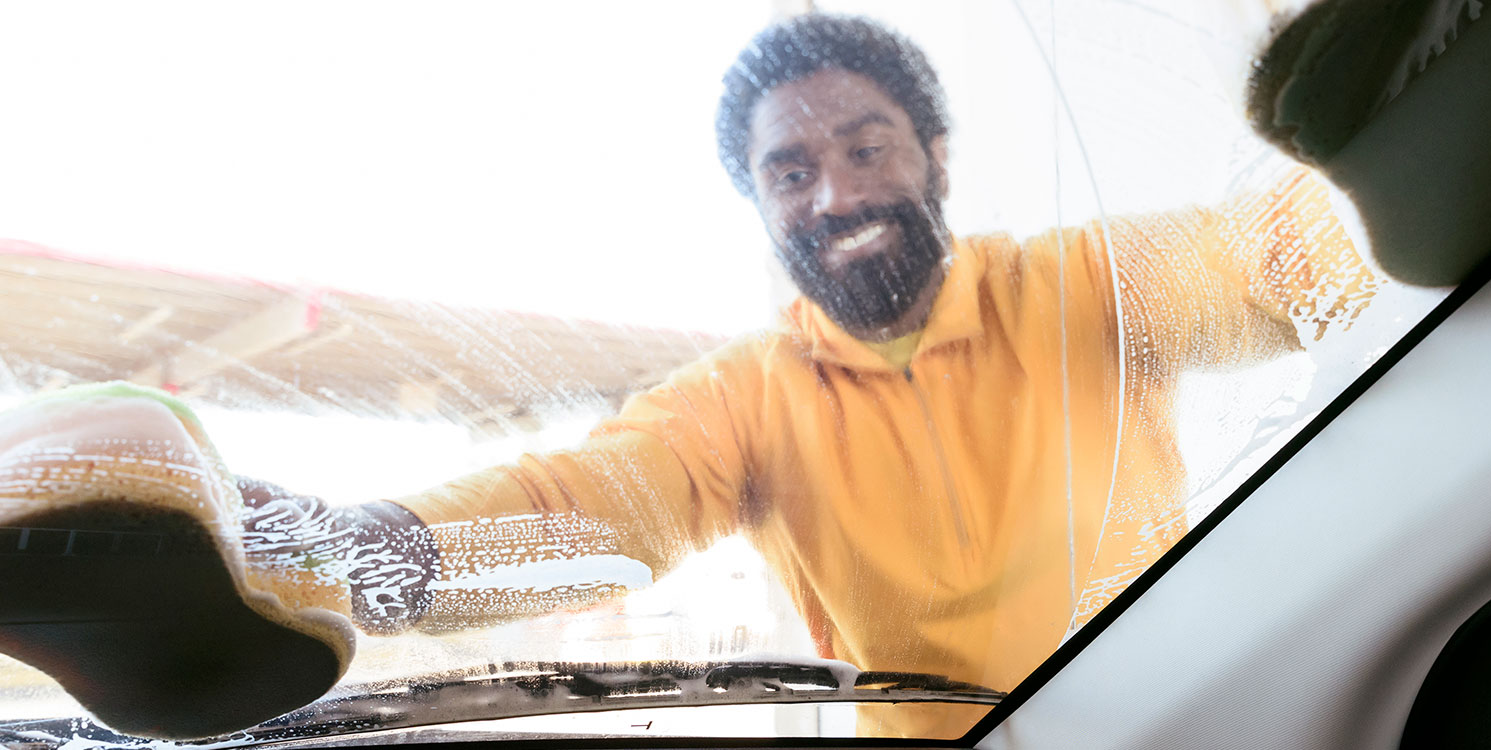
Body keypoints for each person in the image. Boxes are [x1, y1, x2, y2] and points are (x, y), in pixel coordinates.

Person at [241, 13, 1378, 738]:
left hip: (1187, 718)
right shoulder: (742, 399)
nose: (835, 196)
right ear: (760, 203)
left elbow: (1285, 263)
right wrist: (349, 554)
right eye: (790, 173)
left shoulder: (1083, 284)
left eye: (865, 148)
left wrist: (1369, 119)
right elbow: (591, 505)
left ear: (936, 158)